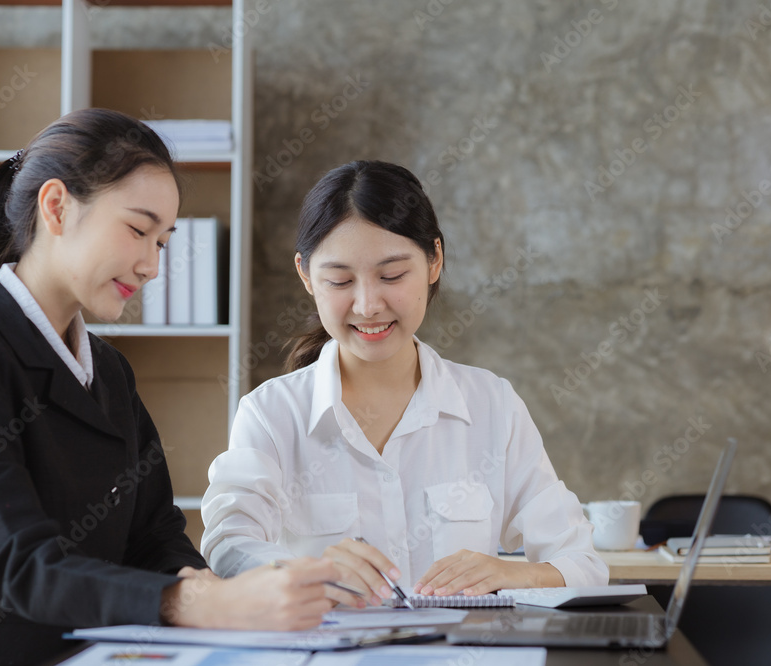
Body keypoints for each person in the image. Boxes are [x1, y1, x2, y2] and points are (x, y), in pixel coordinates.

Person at [0, 108, 337, 666]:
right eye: (137, 229)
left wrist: (231, 594)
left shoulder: (108, 370)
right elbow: (20, 567)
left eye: (163, 241)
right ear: (56, 207)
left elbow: (154, 536)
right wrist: (196, 603)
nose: (152, 265)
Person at [200, 160, 608, 609]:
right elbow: (227, 546)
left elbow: (582, 564)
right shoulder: (272, 414)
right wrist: (303, 572)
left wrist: (514, 572)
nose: (368, 304)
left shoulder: (492, 405)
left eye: (392, 276)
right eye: (339, 280)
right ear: (305, 276)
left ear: (434, 260)